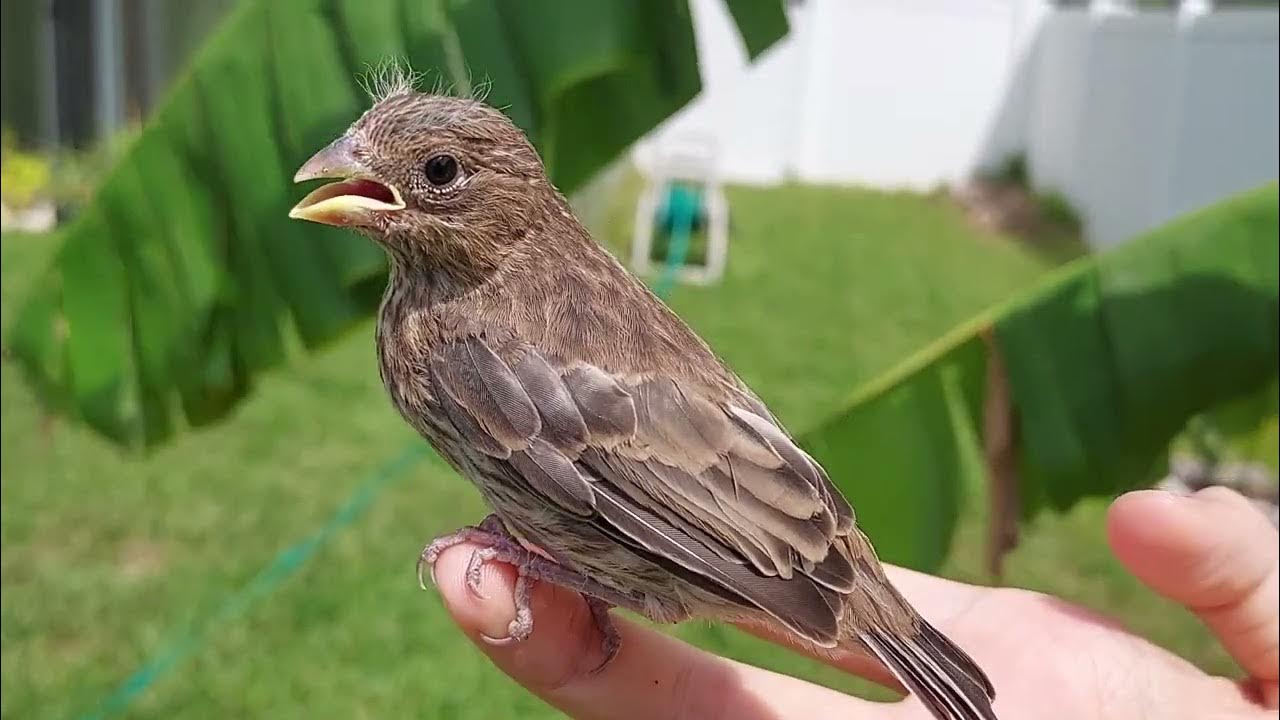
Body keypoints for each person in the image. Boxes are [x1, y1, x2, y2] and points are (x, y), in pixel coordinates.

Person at [431, 487, 1279, 719]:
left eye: (438, 174)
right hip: (763, 512)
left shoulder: (470, 339)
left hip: (711, 527)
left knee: (649, 589)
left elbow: (653, 540)